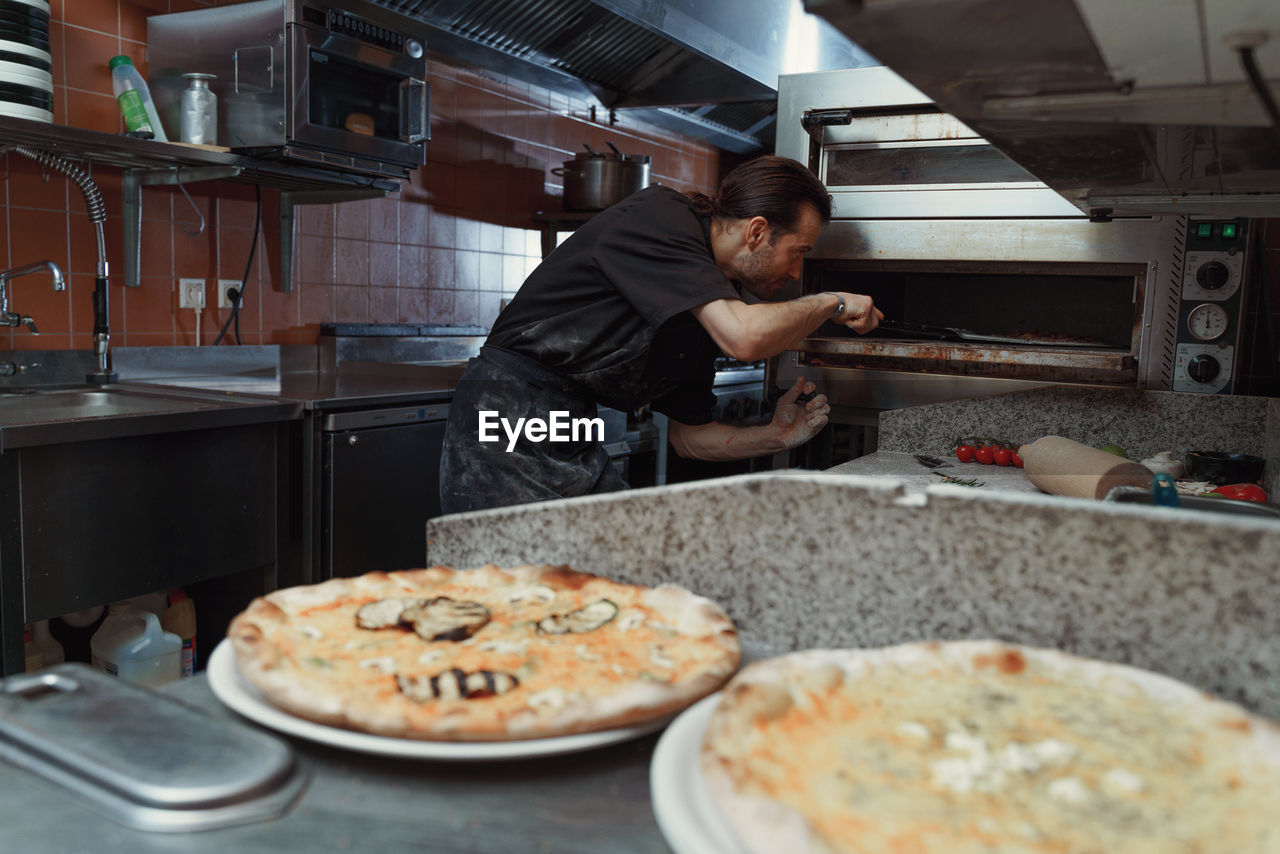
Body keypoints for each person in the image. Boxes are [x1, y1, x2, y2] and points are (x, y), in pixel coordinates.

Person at [439, 154, 881, 514]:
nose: (796, 271)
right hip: (508, 418)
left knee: (605, 574)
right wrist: (832, 302)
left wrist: (775, 436)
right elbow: (745, 338)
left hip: (570, 426)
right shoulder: (663, 218)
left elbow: (688, 438)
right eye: (797, 252)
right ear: (758, 231)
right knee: (523, 588)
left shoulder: (707, 305)